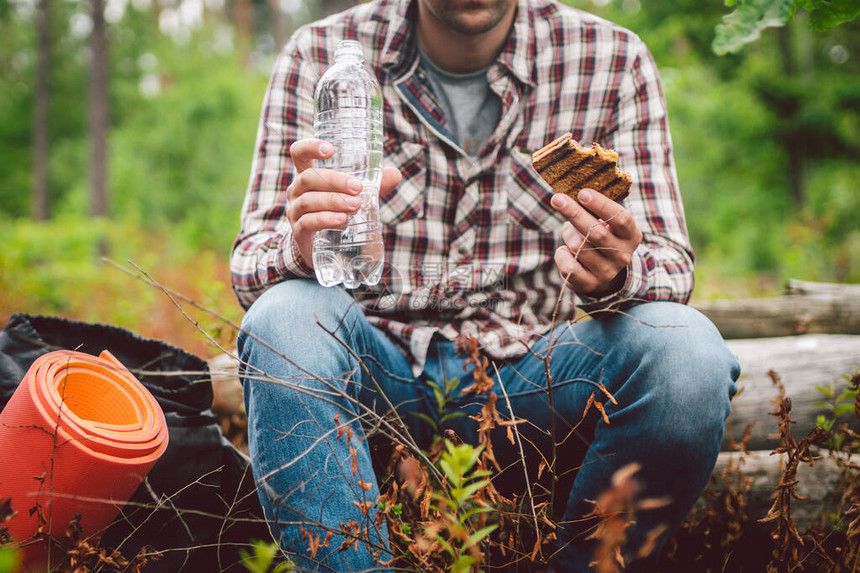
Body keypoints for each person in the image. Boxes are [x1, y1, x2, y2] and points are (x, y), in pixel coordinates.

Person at [230, 0, 741, 569]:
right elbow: (249, 266)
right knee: (284, 320)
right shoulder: (320, 54)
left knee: (687, 351)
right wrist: (299, 247)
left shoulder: (613, 60)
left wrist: (616, 276)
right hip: (375, 378)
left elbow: (670, 267)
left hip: (535, 386)